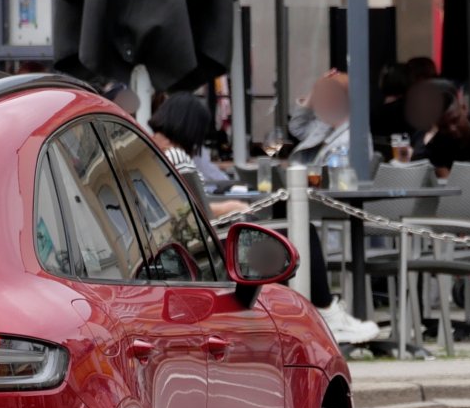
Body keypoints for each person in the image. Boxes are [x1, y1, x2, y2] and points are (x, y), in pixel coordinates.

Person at [151, 94, 380, 345]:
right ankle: (326, 313)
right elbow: (192, 213)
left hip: (186, 250)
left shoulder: (151, 150)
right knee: (303, 232)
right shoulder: (177, 156)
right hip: (211, 252)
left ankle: (308, 317)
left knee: (288, 231)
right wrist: (228, 207)